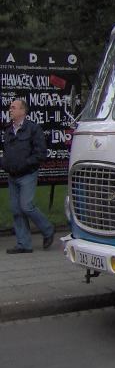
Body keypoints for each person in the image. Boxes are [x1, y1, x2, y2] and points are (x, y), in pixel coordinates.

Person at [2, 99, 55, 254]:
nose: (10, 110)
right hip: (12, 175)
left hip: (27, 174)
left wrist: (25, 164)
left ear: (22, 111)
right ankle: (24, 244)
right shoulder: (8, 130)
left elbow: (41, 153)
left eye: (13, 107)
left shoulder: (33, 129)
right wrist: (4, 163)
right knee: (16, 210)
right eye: (10, 108)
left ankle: (48, 229)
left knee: (26, 206)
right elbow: (6, 152)